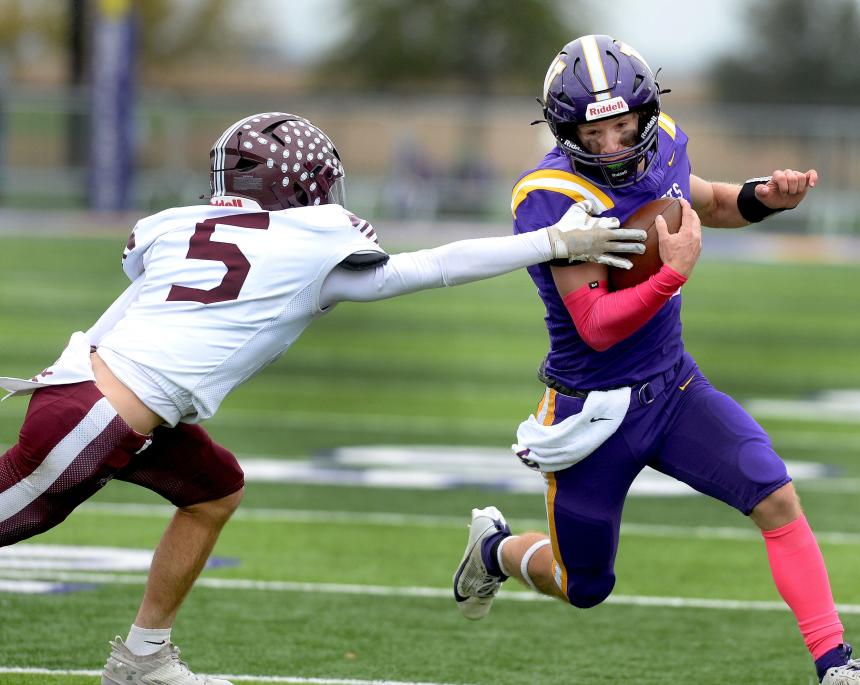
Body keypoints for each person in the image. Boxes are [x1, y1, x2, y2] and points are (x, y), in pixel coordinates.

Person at [0, 111, 648, 685]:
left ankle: (142, 658)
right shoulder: (311, 239)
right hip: (99, 418)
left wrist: (62, 377)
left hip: (97, 397)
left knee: (214, 488)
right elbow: (431, 266)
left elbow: (134, 301)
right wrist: (554, 242)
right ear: (303, 184)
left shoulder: (175, 224)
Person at [452, 36, 860, 685]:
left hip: (674, 386)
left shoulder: (662, 138)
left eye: (620, 125)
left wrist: (764, 199)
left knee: (775, 496)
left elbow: (708, 202)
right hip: (593, 411)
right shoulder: (551, 194)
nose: (611, 143)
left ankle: (835, 663)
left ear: (641, 113)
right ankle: (495, 548)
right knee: (583, 584)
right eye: (593, 130)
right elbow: (597, 325)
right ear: (565, 129)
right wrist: (671, 276)